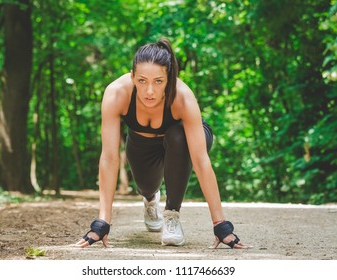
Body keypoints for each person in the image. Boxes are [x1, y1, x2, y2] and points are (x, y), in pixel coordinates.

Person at [76, 38, 247, 249]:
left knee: (178, 135)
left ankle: (172, 215)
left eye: (158, 81)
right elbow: (109, 158)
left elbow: (201, 161)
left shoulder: (183, 97)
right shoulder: (116, 93)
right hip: (141, 143)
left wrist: (221, 225)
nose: (149, 91)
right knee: (146, 186)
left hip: (184, 140)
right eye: (142, 81)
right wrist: (102, 222)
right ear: (132, 76)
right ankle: (150, 200)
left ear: (169, 79)